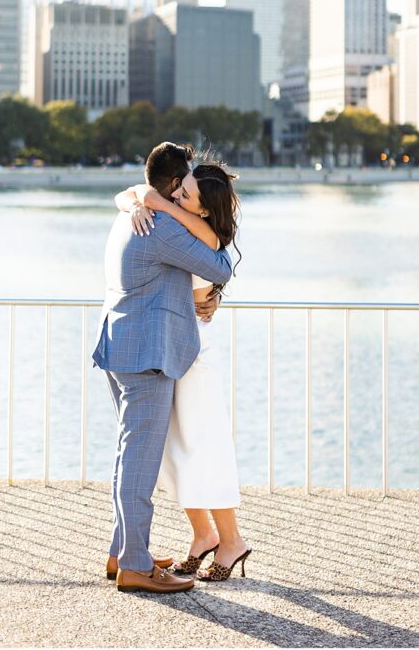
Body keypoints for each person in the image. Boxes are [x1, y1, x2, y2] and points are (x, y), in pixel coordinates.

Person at [92, 144, 233, 594]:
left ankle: (123, 552)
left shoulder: (131, 214)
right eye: (187, 184)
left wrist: (142, 198)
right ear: (175, 186)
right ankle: (135, 565)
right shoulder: (160, 226)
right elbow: (220, 265)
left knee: (127, 457)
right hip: (147, 357)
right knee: (139, 463)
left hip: (122, 346)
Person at [117, 150, 252, 582]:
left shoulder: (200, 236)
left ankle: (231, 540)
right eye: (179, 186)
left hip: (194, 351)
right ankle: (202, 535)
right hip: (172, 349)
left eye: (186, 191)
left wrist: (152, 203)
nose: (177, 192)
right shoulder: (175, 221)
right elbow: (131, 191)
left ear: (202, 207)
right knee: (175, 452)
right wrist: (139, 198)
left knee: (204, 444)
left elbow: (216, 258)